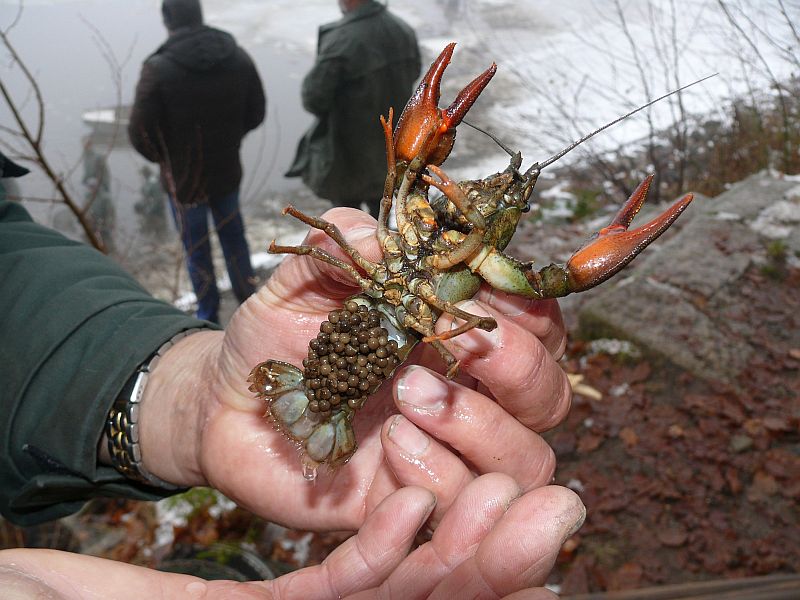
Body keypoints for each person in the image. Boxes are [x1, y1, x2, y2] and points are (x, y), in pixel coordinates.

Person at [0, 196, 581, 597]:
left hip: (357, 367)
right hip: (336, 369)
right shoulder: (421, 251)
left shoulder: (456, 282)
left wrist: (194, 396)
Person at [128, 0, 266, 324]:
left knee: (196, 249)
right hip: (227, 171)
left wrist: (167, 161)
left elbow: (138, 133)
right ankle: (251, 305)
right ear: (200, 15)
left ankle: (208, 316)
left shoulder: (158, 69)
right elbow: (256, 111)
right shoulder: (238, 56)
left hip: (183, 181)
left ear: (168, 21)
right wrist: (230, 141)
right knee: (235, 238)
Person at [286, 0, 421, 218]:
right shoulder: (402, 29)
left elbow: (314, 98)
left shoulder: (342, 39)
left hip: (349, 156)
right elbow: (414, 73)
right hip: (391, 149)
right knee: (383, 219)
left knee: (349, 224)